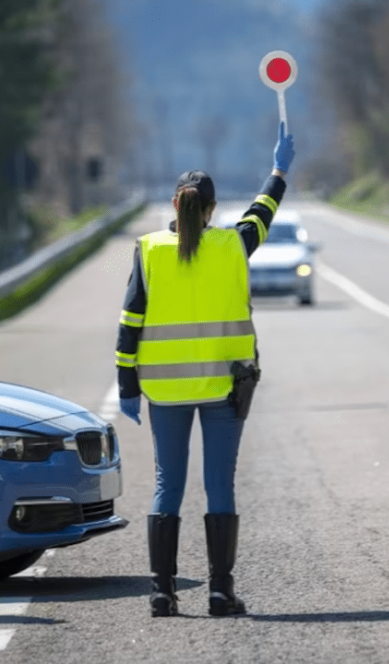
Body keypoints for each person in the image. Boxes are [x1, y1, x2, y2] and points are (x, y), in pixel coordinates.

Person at [115, 123, 295, 617]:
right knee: (220, 484)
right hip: (222, 387)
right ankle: (220, 591)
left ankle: (161, 592)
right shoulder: (234, 245)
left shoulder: (149, 251)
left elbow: (130, 323)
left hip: (164, 392)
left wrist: (127, 385)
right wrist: (278, 170)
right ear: (211, 209)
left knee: (165, 485)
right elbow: (263, 211)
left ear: (175, 206)